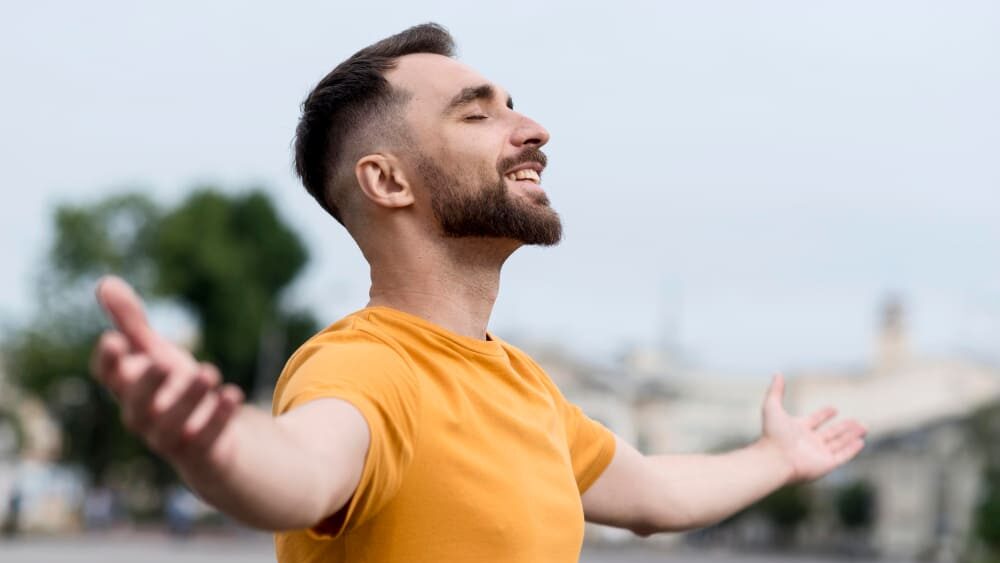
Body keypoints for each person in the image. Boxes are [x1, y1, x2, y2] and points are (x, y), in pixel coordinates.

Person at [90, 22, 868, 563]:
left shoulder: (523, 384)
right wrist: (215, 444)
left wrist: (779, 456)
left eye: (512, 105)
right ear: (388, 180)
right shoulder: (363, 370)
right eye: (479, 114)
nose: (533, 130)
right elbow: (300, 469)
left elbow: (658, 493)